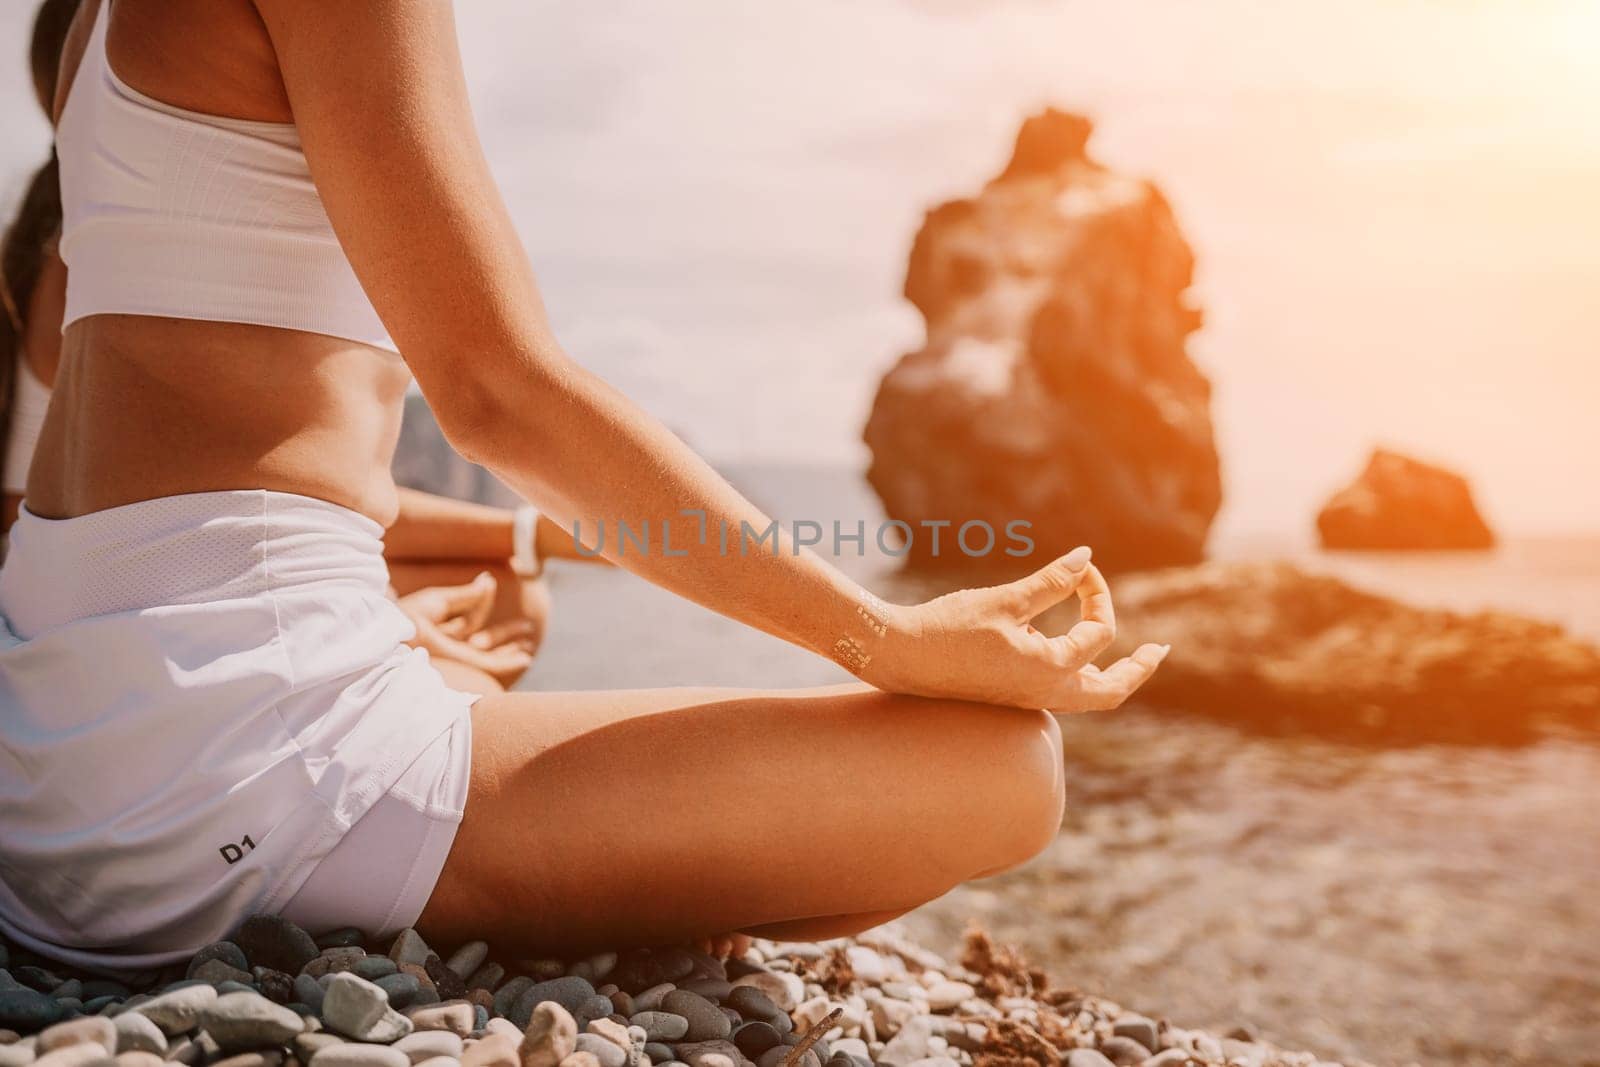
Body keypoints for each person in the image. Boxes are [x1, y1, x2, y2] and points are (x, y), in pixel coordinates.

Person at [0, 0, 1169, 973]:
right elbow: (499, 390)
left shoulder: (96, 25)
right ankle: (515, 889)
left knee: (481, 638)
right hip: (225, 763)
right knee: (1004, 771)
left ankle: (510, 856)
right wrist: (880, 634)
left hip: (53, 745)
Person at [0, 0, 609, 694]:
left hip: (103, 607)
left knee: (507, 592)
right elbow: (226, 500)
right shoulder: (103, 268)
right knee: (503, 611)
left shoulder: (74, 253)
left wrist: (528, 537)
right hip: (136, 639)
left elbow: (270, 490)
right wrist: (398, 614)